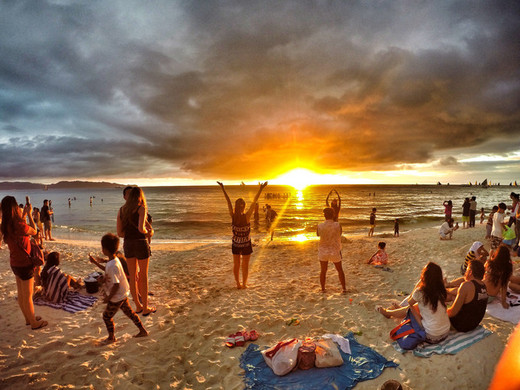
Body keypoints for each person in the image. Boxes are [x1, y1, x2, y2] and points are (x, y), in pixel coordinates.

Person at [0, 196, 47, 329]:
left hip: (15, 263)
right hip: (25, 264)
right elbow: (35, 232)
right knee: (28, 296)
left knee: (21, 294)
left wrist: (25, 214)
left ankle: (28, 318)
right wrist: (30, 216)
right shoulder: (19, 225)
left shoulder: (5, 225)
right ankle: (34, 323)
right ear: (15, 208)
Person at [377, 262, 450, 344]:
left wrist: (417, 285)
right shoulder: (441, 289)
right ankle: (396, 311)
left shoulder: (420, 292)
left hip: (431, 336)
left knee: (411, 308)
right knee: (422, 306)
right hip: (445, 332)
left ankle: (388, 313)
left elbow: (409, 302)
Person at [98, 233, 148, 344]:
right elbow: (110, 274)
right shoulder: (114, 261)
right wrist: (102, 276)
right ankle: (142, 330)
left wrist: (109, 298)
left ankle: (111, 338)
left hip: (117, 297)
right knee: (130, 313)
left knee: (106, 316)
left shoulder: (112, 265)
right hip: (123, 294)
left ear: (105, 250)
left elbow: (115, 284)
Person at [217, 181, 267, 289]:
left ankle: (238, 284)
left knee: (237, 265)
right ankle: (244, 284)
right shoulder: (247, 216)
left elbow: (228, 201)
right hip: (246, 244)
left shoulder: (233, 216)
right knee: (245, 265)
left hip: (236, 243)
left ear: (235, 206)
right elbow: (254, 202)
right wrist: (261, 189)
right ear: (244, 206)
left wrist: (223, 189)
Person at [117, 187, 155, 315]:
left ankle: (138, 306)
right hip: (140, 243)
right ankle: (145, 308)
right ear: (139, 196)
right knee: (143, 277)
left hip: (128, 244)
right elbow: (141, 229)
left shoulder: (122, 210)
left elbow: (119, 233)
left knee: (133, 277)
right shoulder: (141, 209)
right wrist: (148, 232)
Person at [448, 260, 488, 332]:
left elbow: (452, 313)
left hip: (460, 326)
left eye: (466, 271)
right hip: (473, 324)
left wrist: (441, 312)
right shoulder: (483, 286)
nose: (465, 273)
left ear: (470, 272)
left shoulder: (466, 285)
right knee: (452, 297)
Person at [317, 207, 346, 293]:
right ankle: (344, 288)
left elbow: (318, 234)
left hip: (323, 250)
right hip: (335, 250)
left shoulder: (320, 226)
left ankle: (323, 289)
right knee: (340, 270)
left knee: (323, 271)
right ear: (333, 215)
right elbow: (340, 233)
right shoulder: (338, 225)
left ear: (324, 216)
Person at [484, 244, 513, 309]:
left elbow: (483, 273)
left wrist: (490, 256)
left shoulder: (490, 264)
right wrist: (503, 302)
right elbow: (504, 286)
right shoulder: (507, 269)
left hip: (481, 293)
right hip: (490, 297)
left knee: (462, 282)